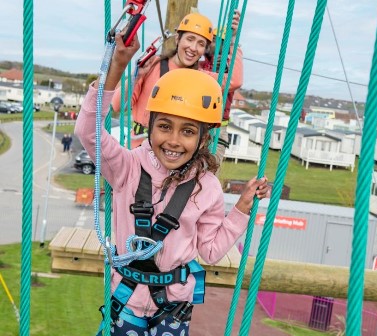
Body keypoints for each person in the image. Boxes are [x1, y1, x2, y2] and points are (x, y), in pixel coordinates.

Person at [75, 31, 268, 336]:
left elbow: (212, 251)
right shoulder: (126, 167)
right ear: (149, 126)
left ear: (203, 138)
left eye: (188, 131)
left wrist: (242, 209)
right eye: (164, 126)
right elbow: (88, 130)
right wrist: (117, 67)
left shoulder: (208, 187)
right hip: (127, 301)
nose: (174, 141)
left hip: (173, 306)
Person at [111, 11, 243, 149]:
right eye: (190, 39)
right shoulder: (152, 65)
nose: (193, 48)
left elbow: (235, 80)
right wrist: (137, 75)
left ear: (204, 50)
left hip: (170, 153)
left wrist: (233, 41)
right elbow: (117, 105)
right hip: (138, 147)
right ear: (177, 39)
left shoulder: (201, 78)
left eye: (201, 44)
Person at [200, 23, 243, 168]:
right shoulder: (200, 65)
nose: (209, 43)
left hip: (217, 130)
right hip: (197, 125)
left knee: (208, 175)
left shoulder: (226, 69)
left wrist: (234, 44)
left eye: (214, 41)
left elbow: (235, 80)